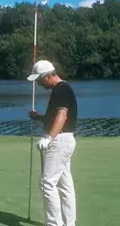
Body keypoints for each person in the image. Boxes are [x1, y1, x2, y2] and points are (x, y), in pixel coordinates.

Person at [27, 60, 78, 226]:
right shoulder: (63, 89)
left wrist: (49, 138)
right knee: (64, 184)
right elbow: (56, 117)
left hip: (59, 141)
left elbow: (62, 116)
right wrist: (39, 118)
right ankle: (69, 223)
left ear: (47, 76)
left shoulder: (60, 89)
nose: (38, 84)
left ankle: (54, 224)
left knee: (47, 184)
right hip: (65, 139)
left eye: (39, 80)